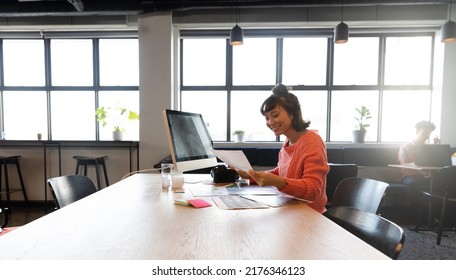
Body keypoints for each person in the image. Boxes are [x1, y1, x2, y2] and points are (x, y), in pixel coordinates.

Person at [237, 83, 329, 214]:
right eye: (267, 118)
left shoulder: (312, 141)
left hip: (310, 215)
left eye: (275, 115)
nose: (270, 122)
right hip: (290, 210)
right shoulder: (288, 141)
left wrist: (277, 181)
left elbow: (314, 190)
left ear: (292, 113)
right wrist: (251, 175)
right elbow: (280, 173)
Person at [398, 120, 440, 189]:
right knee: (412, 183)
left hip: (426, 176)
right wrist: (421, 173)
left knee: (442, 182)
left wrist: (437, 147)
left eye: (429, 133)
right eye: (425, 132)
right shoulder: (405, 147)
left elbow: (435, 164)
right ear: (417, 131)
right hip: (409, 176)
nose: (427, 135)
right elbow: (404, 167)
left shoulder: (429, 148)